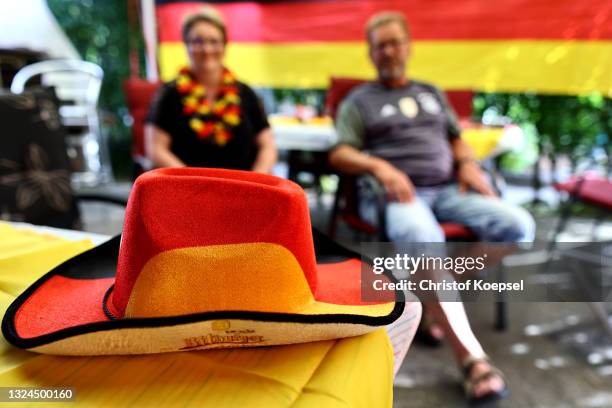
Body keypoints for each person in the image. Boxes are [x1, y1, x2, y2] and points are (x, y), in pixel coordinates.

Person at [329, 11, 536, 404]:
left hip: (449, 190)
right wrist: (380, 166)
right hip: (401, 197)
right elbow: (339, 153)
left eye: (394, 43)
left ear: (407, 46)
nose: (388, 51)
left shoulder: (430, 91)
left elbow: (457, 138)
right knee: (425, 240)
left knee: (519, 226)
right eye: (380, 46)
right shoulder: (359, 101)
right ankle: (472, 360)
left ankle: (432, 295)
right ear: (371, 53)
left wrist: (468, 163)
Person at [145, 7, 277, 173]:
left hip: (242, 191)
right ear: (186, 45)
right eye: (198, 41)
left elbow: (268, 147)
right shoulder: (168, 94)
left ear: (224, 45)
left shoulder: (246, 93)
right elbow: (155, 149)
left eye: (214, 41)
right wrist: (196, 183)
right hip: (187, 190)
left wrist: (257, 182)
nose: (207, 49)